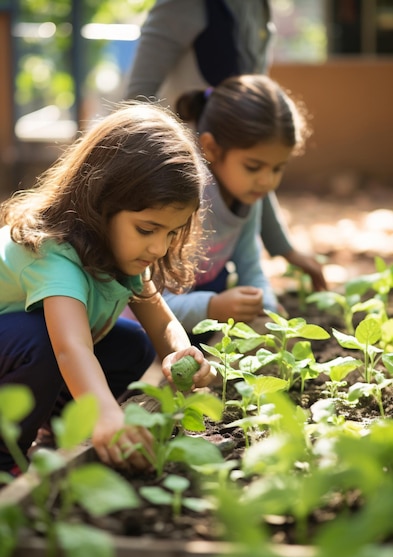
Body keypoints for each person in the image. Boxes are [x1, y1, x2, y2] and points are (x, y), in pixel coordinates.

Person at [0, 101, 216, 475]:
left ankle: (65, 430)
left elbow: (161, 322)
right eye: (147, 230)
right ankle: (6, 461)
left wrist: (184, 353)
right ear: (100, 204)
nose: (159, 248)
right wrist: (107, 414)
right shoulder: (53, 252)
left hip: (19, 352)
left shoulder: (119, 251)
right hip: (23, 346)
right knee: (45, 344)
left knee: (133, 344)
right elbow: (71, 349)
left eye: (172, 232)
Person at [123, 0, 327, 292]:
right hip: (173, 187)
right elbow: (131, 109)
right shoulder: (182, 8)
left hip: (217, 210)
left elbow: (253, 157)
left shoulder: (258, 9)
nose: (267, 179)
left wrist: (283, 248)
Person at [163, 74, 309, 333]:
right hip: (153, 320)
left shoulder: (246, 198)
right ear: (210, 148)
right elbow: (151, 304)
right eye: (254, 167)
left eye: (278, 168)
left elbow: (250, 265)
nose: (267, 181)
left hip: (202, 301)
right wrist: (212, 307)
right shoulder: (185, 198)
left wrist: (267, 306)